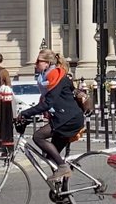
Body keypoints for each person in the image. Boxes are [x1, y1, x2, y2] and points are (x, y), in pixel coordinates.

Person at [17, 49, 84, 183]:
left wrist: (25, 113)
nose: (36, 64)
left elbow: (49, 103)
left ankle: (64, 167)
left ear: (47, 63)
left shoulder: (56, 77)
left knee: (38, 136)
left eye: (38, 62)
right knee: (51, 157)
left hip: (68, 119)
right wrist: (27, 117)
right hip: (65, 117)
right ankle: (63, 192)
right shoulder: (49, 77)